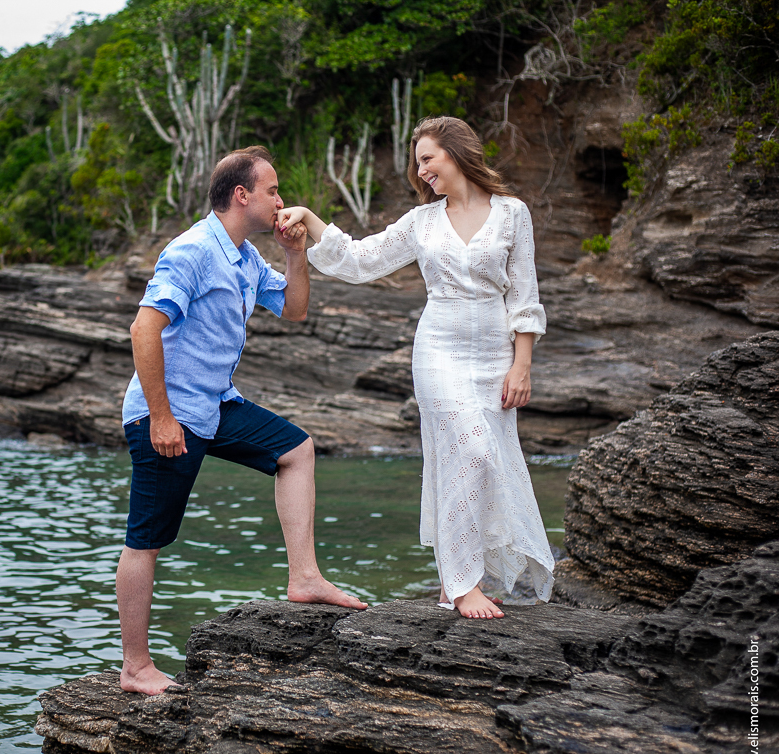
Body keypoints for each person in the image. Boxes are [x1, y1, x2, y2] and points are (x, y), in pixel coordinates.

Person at [276, 116, 555, 621]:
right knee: (468, 450)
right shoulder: (421, 222)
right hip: (439, 351)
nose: (422, 170)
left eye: (428, 158)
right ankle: (463, 583)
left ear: (458, 152)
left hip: (495, 355)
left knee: (483, 459)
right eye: (418, 163)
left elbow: (525, 294)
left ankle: (456, 582)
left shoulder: (513, 214)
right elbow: (361, 261)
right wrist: (313, 220)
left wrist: (523, 364)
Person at [118, 146, 368, 696]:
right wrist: (161, 417)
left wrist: (295, 254)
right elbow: (144, 330)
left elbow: (295, 309)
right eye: (274, 191)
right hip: (170, 415)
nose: (281, 200)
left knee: (295, 449)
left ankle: (304, 577)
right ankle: (135, 667)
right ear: (242, 196)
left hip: (216, 405)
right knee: (147, 540)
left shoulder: (246, 256)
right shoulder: (192, 251)